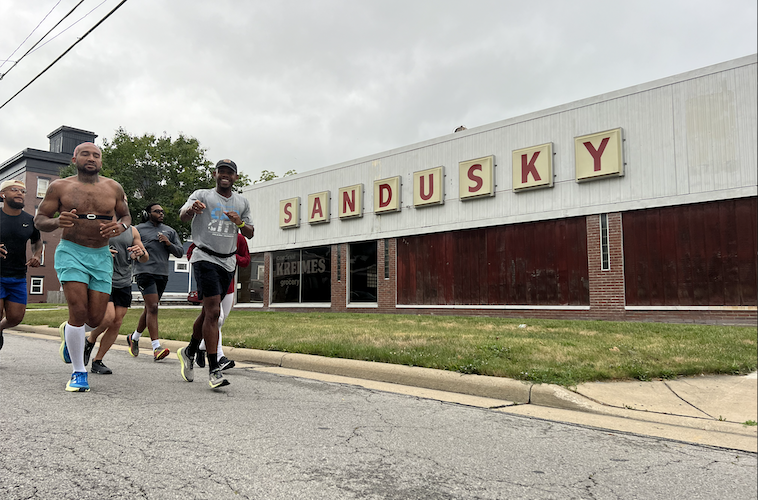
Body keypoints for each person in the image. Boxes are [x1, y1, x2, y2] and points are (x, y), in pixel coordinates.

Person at [34, 142, 131, 392]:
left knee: (96, 317)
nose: (91, 158)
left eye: (96, 155)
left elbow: (126, 216)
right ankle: (79, 372)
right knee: (78, 311)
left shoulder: (113, 188)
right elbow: (39, 220)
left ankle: (70, 333)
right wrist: (57, 221)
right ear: (75, 158)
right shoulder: (60, 187)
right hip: (71, 252)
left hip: (100, 255)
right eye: (85, 154)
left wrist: (120, 227)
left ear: (101, 161)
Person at [177, 159, 253, 389]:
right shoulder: (202, 195)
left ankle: (190, 350)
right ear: (215, 174)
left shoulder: (242, 202)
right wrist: (192, 209)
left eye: (230, 173)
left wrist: (239, 223)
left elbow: (250, 232)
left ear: (235, 178)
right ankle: (214, 369)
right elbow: (183, 216)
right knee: (213, 311)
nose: (225, 176)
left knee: (207, 312)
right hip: (204, 257)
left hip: (228, 262)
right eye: (221, 172)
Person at [83, 225, 148, 374]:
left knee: (117, 322)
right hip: (103, 279)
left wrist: (140, 252)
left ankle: (97, 360)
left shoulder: (132, 231)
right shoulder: (100, 225)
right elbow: (84, 249)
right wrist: (101, 252)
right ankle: (90, 340)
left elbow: (144, 257)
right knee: (108, 317)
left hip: (124, 282)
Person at [126, 203, 183, 361]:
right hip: (144, 272)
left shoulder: (169, 231)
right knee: (153, 307)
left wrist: (168, 243)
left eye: (162, 212)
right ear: (147, 213)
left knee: (150, 308)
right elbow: (128, 248)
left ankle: (134, 337)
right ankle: (156, 347)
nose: (161, 214)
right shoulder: (137, 230)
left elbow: (180, 253)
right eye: (157, 211)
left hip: (162, 273)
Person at [187, 231, 250, 370]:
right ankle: (219, 358)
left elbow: (246, 260)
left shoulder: (239, 238)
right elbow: (190, 252)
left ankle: (201, 347)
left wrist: (232, 257)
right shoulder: (209, 234)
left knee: (217, 321)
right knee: (217, 318)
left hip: (229, 286)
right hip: (210, 282)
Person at [0, 180, 43, 360]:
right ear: (3, 194)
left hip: (18, 276)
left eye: (23, 191)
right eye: (15, 190)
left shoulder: (29, 220)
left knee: (16, 318)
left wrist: (37, 256)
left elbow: (37, 242)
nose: (20, 193)